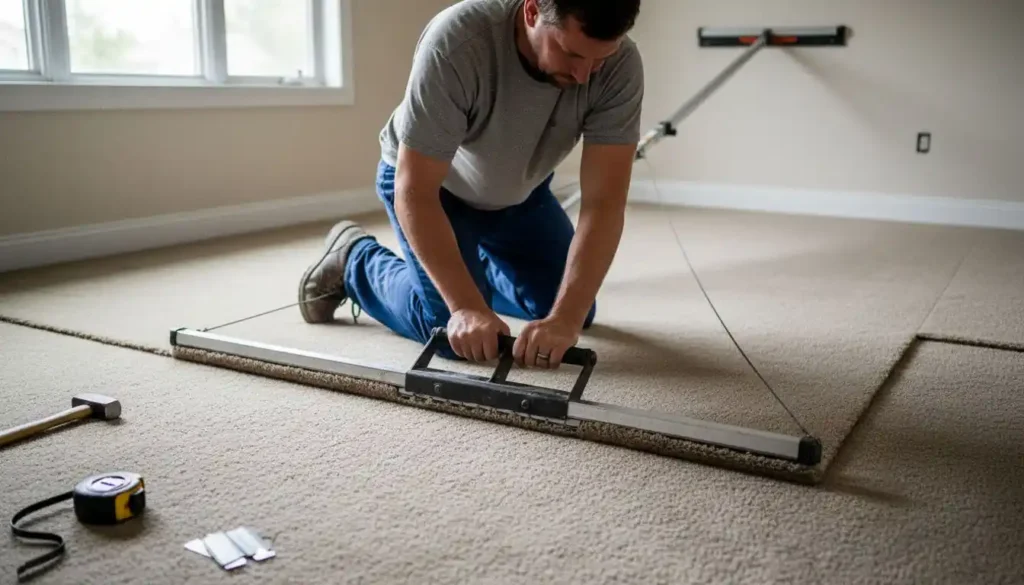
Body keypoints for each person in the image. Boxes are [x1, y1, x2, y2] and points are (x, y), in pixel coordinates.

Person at [298, 0, 644, 369]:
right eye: (571, 53)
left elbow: (603, 203)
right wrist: (464, 306)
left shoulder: (621, 66)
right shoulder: (458, 41)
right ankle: (354, 261)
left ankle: (471, 267)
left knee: (572, 309)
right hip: (436, 193)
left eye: (600, 59)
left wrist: (565, 319)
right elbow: (415, 189)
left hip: (519, 194)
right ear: (531, 12)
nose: (584, 75)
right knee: (452, 332)